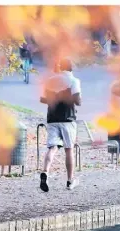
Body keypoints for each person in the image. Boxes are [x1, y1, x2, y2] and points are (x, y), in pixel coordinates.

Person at [39, 58, 81, 191]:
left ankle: (45, 172)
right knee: (69, 150)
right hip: (68, 119)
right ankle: (70, 180)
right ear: (71, 67)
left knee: (52, 147)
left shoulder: (51, 80)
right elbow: (77, 100)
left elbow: (44, 99)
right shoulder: (74, 81)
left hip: (52, 119)